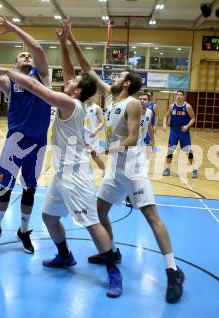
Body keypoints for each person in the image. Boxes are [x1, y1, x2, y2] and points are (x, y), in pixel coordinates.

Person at [68, 28, 185, 304]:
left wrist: (105, 148)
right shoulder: (110, 97)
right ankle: (113, 251)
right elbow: (88, 68)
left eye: (119, 76)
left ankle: (173, 271)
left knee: (152, 217)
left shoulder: (133, 104)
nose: (114, 77)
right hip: (114, 171)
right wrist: (71, 38)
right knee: (99, 211)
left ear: (128, 84)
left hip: (132, 169)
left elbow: (133, 139)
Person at [0, 58, 123, 298]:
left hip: (76, 176)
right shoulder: (73, 102)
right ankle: (65, 256)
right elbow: (69, 71)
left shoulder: (67, 103)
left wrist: (8, 70)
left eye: (73, 81)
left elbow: (33, 86)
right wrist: (64, 42)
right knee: (49, 216)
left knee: (92, 223)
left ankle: (113, 270)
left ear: (78, 90)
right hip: (62, 174)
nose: (69, 79)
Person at [0, 15, 51, 254]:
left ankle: (24, 231)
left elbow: (37, 48)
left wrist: (12, 27)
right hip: (15, 141)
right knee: (5, 187)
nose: (27, 55)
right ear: (16, 63)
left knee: (29, 189)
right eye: (22, 55)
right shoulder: (11, 85)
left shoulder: (42, 77)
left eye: (28, 55)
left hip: (38, 144)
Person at [162, 90, 197, 178]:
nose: (179, 96)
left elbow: (193, 118)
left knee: (188, 151)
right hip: (174, 131)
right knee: (170, 150)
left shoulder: (187, 106)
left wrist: (187, 126)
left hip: (184, 132)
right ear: (175, 96)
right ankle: (167, 168)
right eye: (177, 95)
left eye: (181, 95)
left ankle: (194, 169)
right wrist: (164, 124)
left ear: (184, 97)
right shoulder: (172, 106)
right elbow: (166, 116)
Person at [84, 96, 106, 172]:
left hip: (92, 136)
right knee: (82, 156)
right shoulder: (82, 107)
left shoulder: (96, 108)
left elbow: (102, 122)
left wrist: (95, 130)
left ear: (93, 97)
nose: (89, 97)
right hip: (82, 135)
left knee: (95, 156)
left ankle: (104, 170)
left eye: (90, 95)